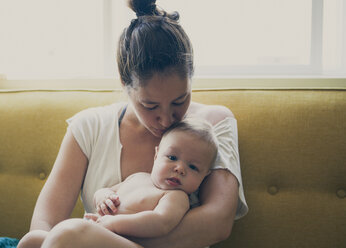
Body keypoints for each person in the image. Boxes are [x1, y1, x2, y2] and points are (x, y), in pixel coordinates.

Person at [18, 0, 248, 247]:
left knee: (69, 234)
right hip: (84, 238)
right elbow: (45, 226)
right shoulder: (90, 127)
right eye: (150, 106)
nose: (166, 119)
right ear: (124, 85)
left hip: (90, 238)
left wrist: (102, 235)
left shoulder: (213, 125)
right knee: (34, 240)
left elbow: (218, 223)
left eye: (180, 100)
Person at [84, 118, 218, 240]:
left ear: (205, 175)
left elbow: (161, 222)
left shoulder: (177, 197)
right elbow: (106, 191)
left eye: (193, 167)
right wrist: (103, 197)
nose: (180, 169)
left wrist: (114, 224)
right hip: (97, 231)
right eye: (172, 157)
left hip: (117, 238)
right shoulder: (137, 177)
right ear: (156, 155)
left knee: (70, 232)